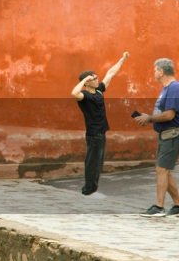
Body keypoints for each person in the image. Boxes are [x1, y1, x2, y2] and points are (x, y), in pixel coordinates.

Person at [71, 51, 129, 197]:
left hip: (101, 132)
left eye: (96, 78)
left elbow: (110, 73)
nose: (98, 80)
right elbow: (74, 93)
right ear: (88, 82)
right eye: (94, 79)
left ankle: (92, 187)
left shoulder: (99, 91)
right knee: (92, 162)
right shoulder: (85, 96)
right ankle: (88, 189)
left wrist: (122, 60)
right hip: (93, 134)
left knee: (98, 162)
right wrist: (84, 81)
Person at [136, 57, 179, 216]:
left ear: (161, 71)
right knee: (164, 170)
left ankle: (159, 206)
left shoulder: (174, 88)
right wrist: (149, 118)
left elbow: (169, 115)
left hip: (172, 134)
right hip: (165, 134)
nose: (154, 72)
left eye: (155, 70)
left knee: (162, 169)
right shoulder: (167, 88)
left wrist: (150, 118)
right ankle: (177, 204)